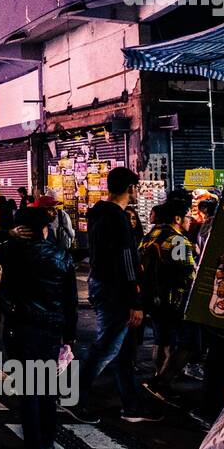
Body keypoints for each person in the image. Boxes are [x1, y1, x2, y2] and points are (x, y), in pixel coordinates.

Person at [0, 206, 79, 449]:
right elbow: (71, 300)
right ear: (45, 229)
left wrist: (7, 234)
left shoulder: (12, 252)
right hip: (51, 331)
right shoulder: (61, 256)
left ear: (21, 230)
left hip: (21, 330)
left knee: (28, 394)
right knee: (46, 391)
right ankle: (46, 445)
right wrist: (69, 335)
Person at [75, 166, 159, 423]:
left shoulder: (98, 214)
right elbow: (126, 260)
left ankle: (131, 404)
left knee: (121, 350)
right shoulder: (117, 217)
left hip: (102, 284)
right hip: (116, 291)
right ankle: (73, 397)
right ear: (130, 189)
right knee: (107, 348)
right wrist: (135, 300)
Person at [139, 199, 198, 403]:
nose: (190, 220)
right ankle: (162, 382)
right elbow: (186, 272)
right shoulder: (178, 240)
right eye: (188, 216)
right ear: (178, 218)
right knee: (188, 343)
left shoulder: (152, 234)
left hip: (154, 298)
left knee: (162, 339)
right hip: (175, 300)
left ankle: (159, 377)